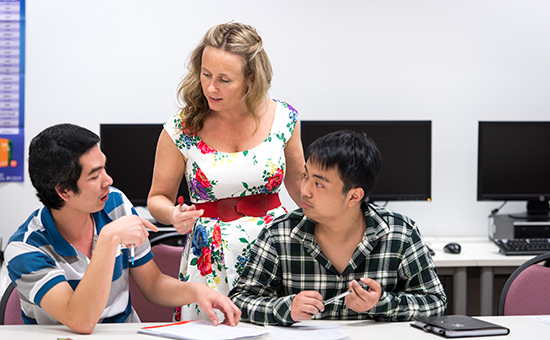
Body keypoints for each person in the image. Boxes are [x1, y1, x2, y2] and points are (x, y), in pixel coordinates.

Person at [4, 124, 240, 334]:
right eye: (95, 176)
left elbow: (153, 284)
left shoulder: (114, 203)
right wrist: (108, 239)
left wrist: (197, 292)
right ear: (64, 191)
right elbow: (81, 321)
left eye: (104, 168)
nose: (109, 180)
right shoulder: (24, 249)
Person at [147, 22, 304, 321]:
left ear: (251, 79)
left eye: (224, 79)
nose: (210, 87)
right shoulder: (181, 127)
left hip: (273, 249)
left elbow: (301, 187)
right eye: (205, 74)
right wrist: (173, 216)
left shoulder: (284, 118)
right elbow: (157, 197)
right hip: (210, 258)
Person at [229, 130, 447, 326]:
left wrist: (381, 303)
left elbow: (435, 302)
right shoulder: (280, 233)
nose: (305, 190)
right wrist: (287, 308)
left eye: (319, 184)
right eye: (306, 176)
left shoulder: (400, 232)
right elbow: (240, 301)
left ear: (354, 196)